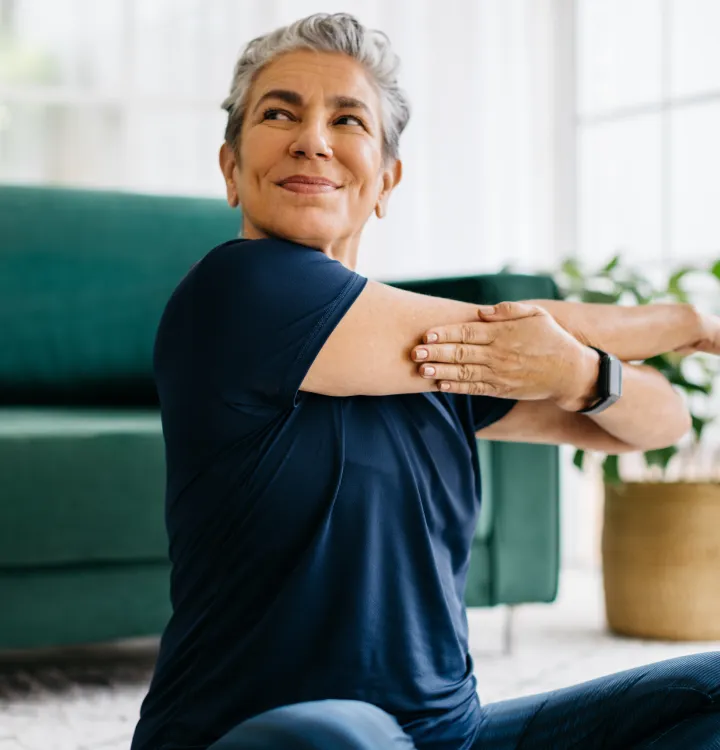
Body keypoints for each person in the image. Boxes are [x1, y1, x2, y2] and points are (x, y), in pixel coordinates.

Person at [131, 12, 720, 750]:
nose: (312, 138)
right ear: (230, 169)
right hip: (267, 738)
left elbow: (661, 424)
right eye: (279, 113)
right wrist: (682, 321)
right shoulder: (234, 292)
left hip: (450, 737)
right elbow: (492, 327)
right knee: (344, 735)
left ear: (386, 179)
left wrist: (580, 372)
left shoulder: (440, 360)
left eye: (347, 120)